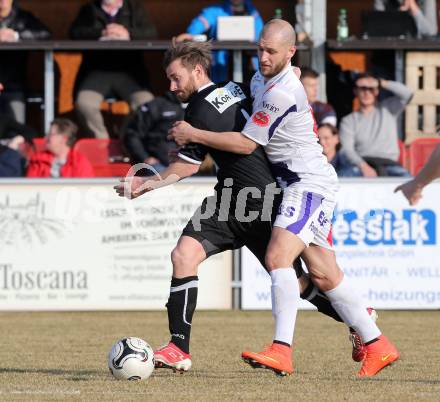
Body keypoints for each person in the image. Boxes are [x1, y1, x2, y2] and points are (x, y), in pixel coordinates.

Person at [114, 40, 375, 376]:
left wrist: (147, 184)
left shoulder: (195, 113)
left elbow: (190, 166)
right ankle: (178, 347)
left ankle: (360, 319)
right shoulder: (234, 85)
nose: (172, 86)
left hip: (255, 201)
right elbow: (273, 88)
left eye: (176, 78)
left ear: (197, 70)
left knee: (297, 282)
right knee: (185, 255)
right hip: (239, 197)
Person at [169, 20, 399, 378]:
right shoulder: (261, 79)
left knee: (279, 256)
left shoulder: (283, 92)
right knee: (324, 275)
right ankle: (377, 342)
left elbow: (247, 143)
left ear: (291, 53)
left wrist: (193, 132)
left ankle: (282, 350)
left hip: (306, 184)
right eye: (260, 48)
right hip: (294, 184)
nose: (262, 57)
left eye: (271, 51)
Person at [69, 0, 156, 139]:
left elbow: (151, 32)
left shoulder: (134, 8)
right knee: (84, 103)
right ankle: (102, 142)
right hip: (97, 71)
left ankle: (125, 140)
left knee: (146, 103)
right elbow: (75, 32)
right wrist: (102, 32)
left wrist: (127, 33)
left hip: (130, 72)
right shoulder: (89, 9)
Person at [339, 73, 412, 177]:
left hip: (389, 164)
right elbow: (346, 150)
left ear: (377, 91)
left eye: (371, 89)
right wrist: (363, 166)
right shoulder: (348, 121)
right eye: (362, 88)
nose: (367, 93)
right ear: (355, 91)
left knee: (409, 182)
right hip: (361, 165)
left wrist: (381, 82)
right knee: (342, 179)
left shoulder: (389, 108)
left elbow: (408, 94)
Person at [176, 0, 263, 83]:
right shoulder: (217, 10)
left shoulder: (252, 12)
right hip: (221, 61)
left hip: (249, 62)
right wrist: (191, 34)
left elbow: (261, 34)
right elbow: (201, 22)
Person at [0, 0, 51, 123]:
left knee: (17, 127)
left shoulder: (23, 17)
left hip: (14, 83)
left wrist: (16, 36)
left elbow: (45, 34)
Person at [121, 91, 184, 172]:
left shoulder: (200, 105)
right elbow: (132, 135)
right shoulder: (155, 106)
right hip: (161, 164)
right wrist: (145, 158)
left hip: (192, 163)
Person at [27, 118, 94, 178]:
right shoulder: (38, 160)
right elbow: (31, 188)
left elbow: (85, 189)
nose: (46, 138)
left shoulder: (80, 163)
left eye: (50, 134)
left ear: (63, 138)